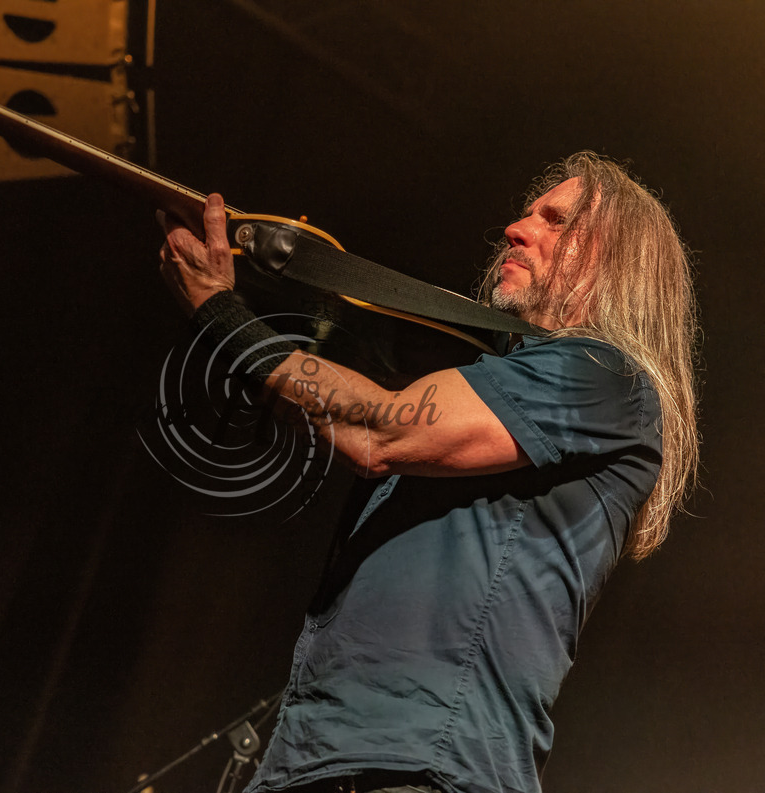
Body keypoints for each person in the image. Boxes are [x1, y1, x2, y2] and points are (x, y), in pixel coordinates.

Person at [157, 152, 699, 793]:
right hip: (316, 762)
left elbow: (380, 429)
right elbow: (337, 410)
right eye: (526, 213)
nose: (517, 229)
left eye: (556, 221)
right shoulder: (502, 381)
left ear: (618, 264)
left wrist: (221, 315)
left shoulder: (603, 378)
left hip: (423, 768)